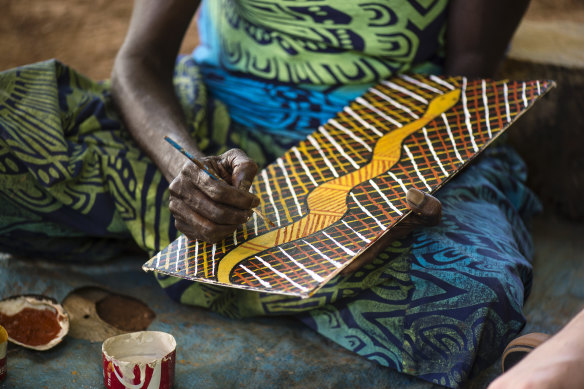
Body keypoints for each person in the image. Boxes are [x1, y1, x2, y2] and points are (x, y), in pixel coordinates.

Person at [0, 0, 536, 387]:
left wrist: (381, 191)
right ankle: (282, 268)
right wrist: (184, 167)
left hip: (385, 145)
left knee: (476, 295)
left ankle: (202, 252)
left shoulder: (390, 153)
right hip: (210, 125)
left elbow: (468, 78)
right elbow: (139, 60)